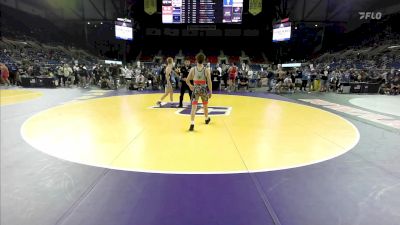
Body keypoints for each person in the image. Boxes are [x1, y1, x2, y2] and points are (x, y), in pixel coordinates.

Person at [186, 53, 212, 131]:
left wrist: (190, 86)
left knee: (194, 107)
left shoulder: (193, 69)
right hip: (203, 89)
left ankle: (192, 123)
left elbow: (187, 81)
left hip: (195, 89)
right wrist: (210, 91)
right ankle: (206, 119)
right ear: (203, 60)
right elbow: (209, 81)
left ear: (196, 60)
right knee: (205, 106)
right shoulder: (206, 70)